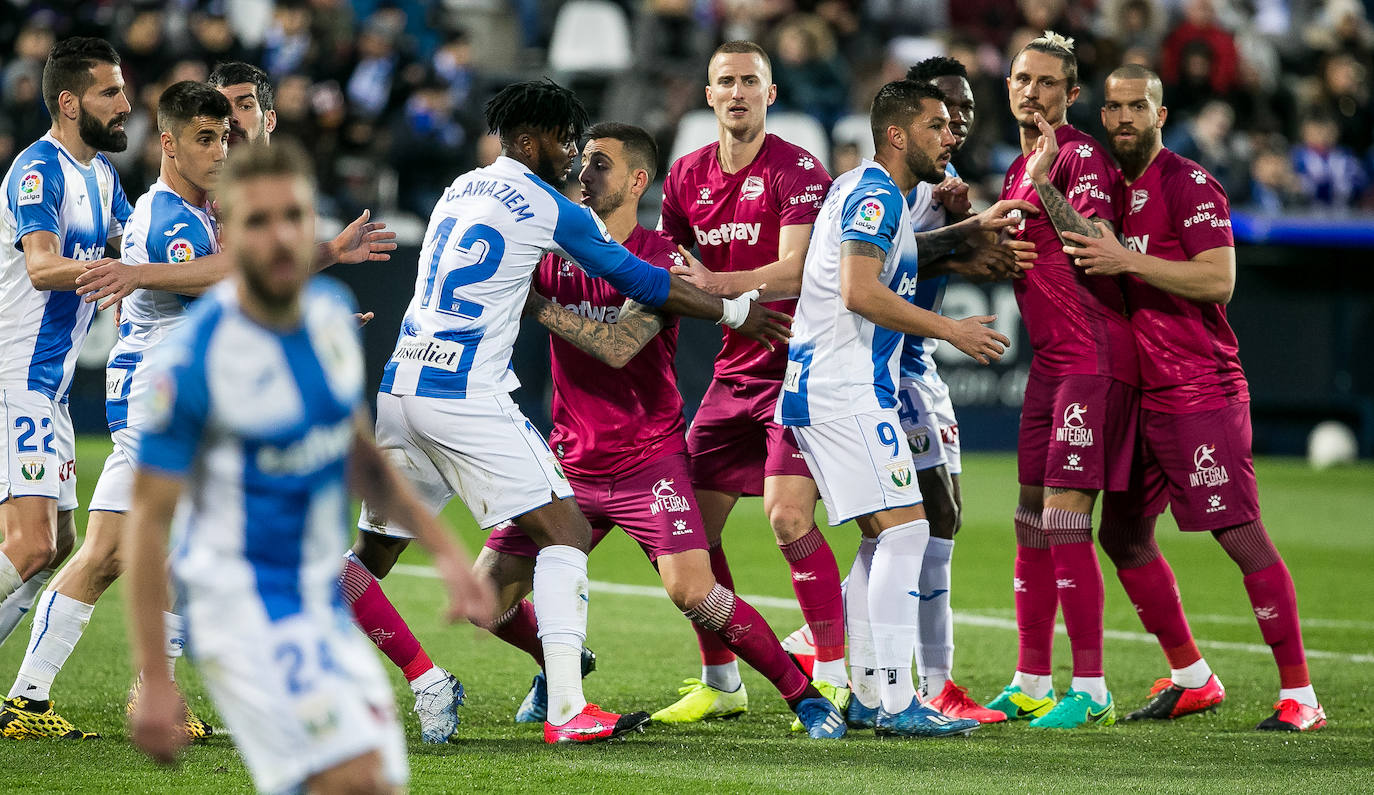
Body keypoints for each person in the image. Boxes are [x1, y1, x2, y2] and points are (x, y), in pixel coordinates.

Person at [349, 78, 790, 744]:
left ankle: (415, 679)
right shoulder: (548, 206)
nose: (573, 155)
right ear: (529, 140)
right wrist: (736, 309)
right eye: (565, 140)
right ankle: (567, 707)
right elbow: (641, 282)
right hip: (464, 393)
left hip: (399, 386)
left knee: (366, 559)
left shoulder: (459, 189)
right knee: (567, 533)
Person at [123, 139, 494, 793]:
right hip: (241, 609)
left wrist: (450, 554)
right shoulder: (196, 360)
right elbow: (147, 522)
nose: (279, 237)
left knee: (373, 780)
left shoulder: (327, 319)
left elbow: (359, 455)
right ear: (230, 235)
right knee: (352, 778)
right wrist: (155, 676)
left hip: (319, 601)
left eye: (292, 216)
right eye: (257, 222)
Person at [474, 121, 845, 738]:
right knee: (484, 599)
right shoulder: (551, 249)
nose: (583, 174)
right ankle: (560, 665)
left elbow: (618, 346)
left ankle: (804, 696)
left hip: (647, 462)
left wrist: (534, 305)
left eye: (600, 165)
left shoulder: (660, 259)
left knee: (696, 593)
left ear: (638, 181)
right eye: (583, 162)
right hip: (567, 464)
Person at [1062, 64, 1327, 732]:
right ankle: (1191, 675)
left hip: (1197, 385)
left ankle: (1301, 695)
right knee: (1122, 534)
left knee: (1238, 532)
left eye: (1137, 107)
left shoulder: (1188, 183)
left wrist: (1128, 261)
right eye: (1114, 107)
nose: (1123, 118)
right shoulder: (1106, 189)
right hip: (1135, 391)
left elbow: (1219, 279)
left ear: (1161, 112)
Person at [779, 78, 1023, 738]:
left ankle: (865, 692)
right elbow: (859, 291)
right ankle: (894, 700)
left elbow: (883, 264)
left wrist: (971, 227)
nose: (950, 135)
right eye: (936, 124)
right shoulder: (876, 195)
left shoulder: (862, 189)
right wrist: (953, 331)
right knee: (909, 533)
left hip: (838, 385)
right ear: (896, 133)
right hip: (846, 386)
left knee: (883, 537)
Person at [655, 39, 846, 725]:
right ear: (708, 95)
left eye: (750, 81)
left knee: (788, 516)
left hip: (797, 369)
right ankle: (721, 680)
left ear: (770, 94)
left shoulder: (798, 170)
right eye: (725, 82)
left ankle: (833, 671)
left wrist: (717, 284)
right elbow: (665, 266)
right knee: (689, 537)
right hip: (732, 373)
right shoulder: (684, 177)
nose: (737, 92)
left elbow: (797, 271)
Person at [984, 30, 1137, 730]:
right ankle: (1031, 677)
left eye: (1047, 82)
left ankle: (1095, 687)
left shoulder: (1075, 157)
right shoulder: (1021, 165)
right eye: (1021, 78)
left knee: (1066, 515)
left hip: (1092, 356)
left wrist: (1046, 186)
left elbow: (1096, 248)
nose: (1030, 91)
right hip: (1049, 362)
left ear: (1071, 94)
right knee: (1029, 517)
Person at [0, 37, 134, 739]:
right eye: (111, 92)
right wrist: (113, 270)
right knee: (27, 546)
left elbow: (134, 249)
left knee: (56, 543)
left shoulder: (104, 176)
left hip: (47, 390)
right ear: (68, 101)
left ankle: (20, 701)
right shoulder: (36, 172)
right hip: (16, 377)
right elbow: (43, 265)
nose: (126, 104)